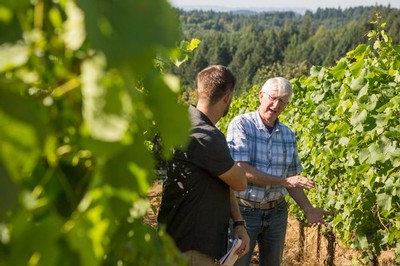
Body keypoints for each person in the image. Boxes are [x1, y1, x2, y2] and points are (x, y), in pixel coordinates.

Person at [226, 77, 331, 266]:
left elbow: (293, 180)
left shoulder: (288, 135)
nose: (276, 104)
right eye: (273, 98)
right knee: (236, 263)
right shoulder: (241, 124)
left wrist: (308, 209)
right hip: (244, 212)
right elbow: (241, 170)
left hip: (276, 213)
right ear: (261, 96)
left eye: (282, 101)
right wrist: (284, 181)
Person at [158, 65, 250, 266]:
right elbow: (240, 182)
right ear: (228, 96)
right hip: (193, 247)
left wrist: (239, 222)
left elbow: (223, 179)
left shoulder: (184, 124)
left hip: (179, 239)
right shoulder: (206, 136)